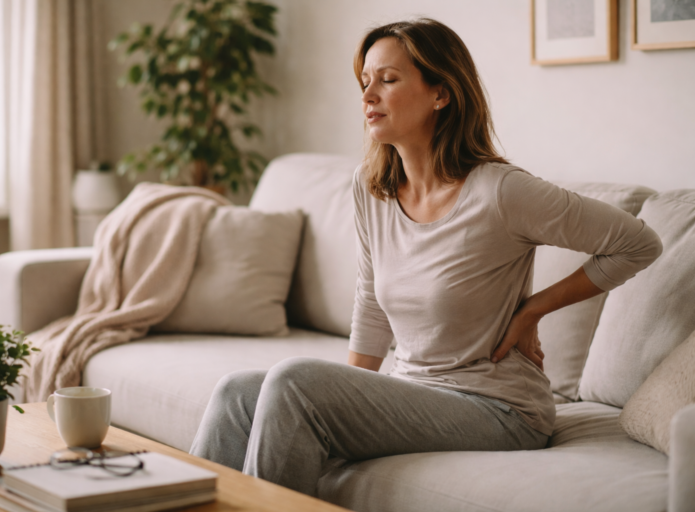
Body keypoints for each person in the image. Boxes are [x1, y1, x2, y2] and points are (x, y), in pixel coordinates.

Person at [189, 18, 662, 497]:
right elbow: (371, 302)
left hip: (498, 407)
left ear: (442, 93)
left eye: (388, 80)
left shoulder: (501, 192)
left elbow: (639, 243)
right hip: (413, 388)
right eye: (365, 81)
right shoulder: (370, 188)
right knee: (237, 394)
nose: (368, 95)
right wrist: (343, 396)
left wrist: (534, 308)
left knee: (293, 380)